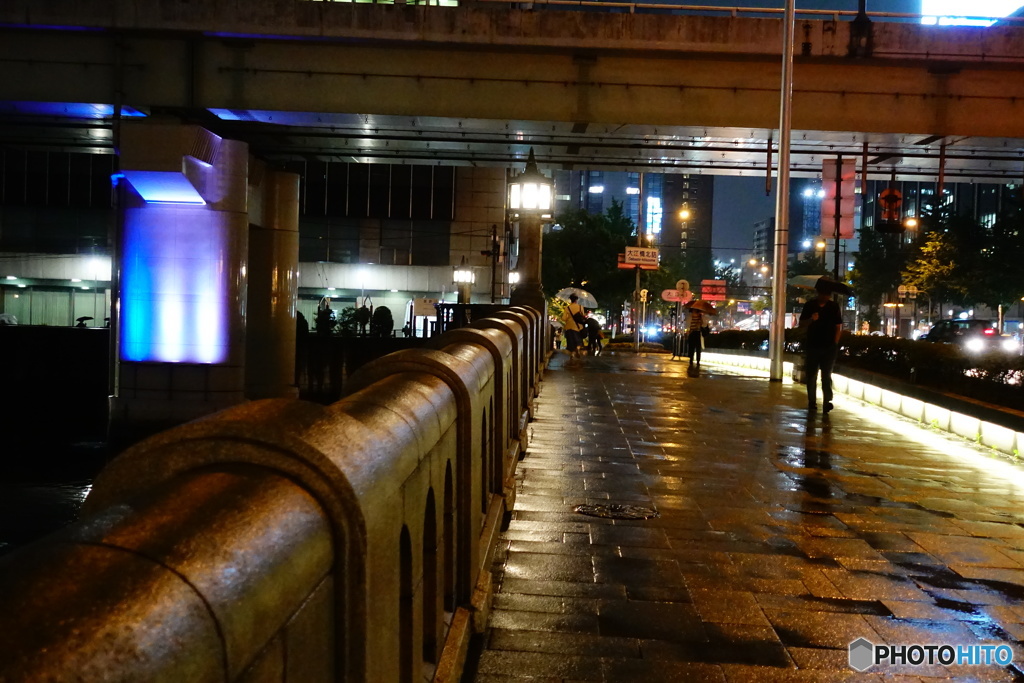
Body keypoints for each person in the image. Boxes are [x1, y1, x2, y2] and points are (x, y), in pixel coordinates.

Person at [799, 283, 844, 414]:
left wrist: (835, 342)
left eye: (827, 294)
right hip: (813, 345)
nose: (825, 296)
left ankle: (827, 402)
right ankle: (812, 402)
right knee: (811, 375)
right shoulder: (810, 306)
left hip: (829, 347)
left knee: (826, 375)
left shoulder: (833, 307)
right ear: (818, 293)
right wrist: (811, 320)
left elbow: (838, 326)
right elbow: (801, 324)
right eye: (823, 294)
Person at [562, 294, 586, 360]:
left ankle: (572, 354)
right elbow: (582, 315)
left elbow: (563, 318)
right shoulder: (580, 307)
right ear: (576, 299)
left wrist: (568, 319)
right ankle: (577, 349)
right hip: (578, 327)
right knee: (578, 341)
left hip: (569, 327)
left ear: (570, 299)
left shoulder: (567, 308)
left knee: (570, 342)